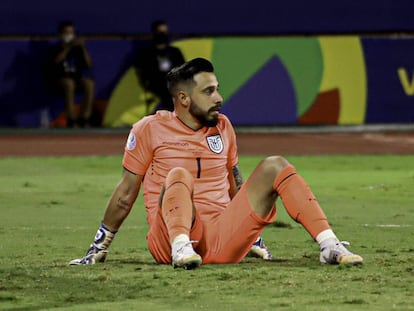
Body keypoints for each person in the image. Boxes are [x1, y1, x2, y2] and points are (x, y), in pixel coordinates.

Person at [69, 58, 363, 269]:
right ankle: (181, 247)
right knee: (179, 175)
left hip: (221, 239)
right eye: (208, 92)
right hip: (166, 241)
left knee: (275, 165)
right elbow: (125, 194)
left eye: (217, 88)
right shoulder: (149, 129)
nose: (219, 98)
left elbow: (235, 186)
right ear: (183, 98)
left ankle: (329, 245)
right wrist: (99, 247)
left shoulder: (223, 127)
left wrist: (253, 238)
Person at [44, 21, 95, 127]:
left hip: (76, 78)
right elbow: (55, 62)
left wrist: (83, 47)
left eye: (71, 33)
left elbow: (89, 64)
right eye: (66, 33)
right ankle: (71, 120)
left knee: (89, 84)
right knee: (69, 84)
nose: (69, 35)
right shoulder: (55, 49)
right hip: (59, 79)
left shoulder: (78, 49)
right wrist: (68, 48)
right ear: (60, 34)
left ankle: (84, 118)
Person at [134, 20, 185, 112]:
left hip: (173, 83)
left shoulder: (174, 52)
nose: (163, 35)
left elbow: (183, 69)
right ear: (154, 33)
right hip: (155, 83)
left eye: (165, 32)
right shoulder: (147, 53)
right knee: (166, 89)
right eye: (160, 32)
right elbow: (141, 71)